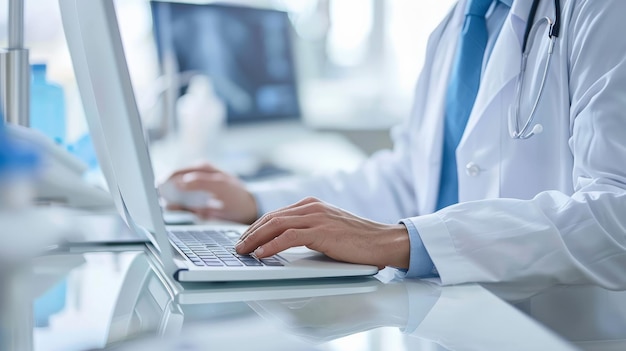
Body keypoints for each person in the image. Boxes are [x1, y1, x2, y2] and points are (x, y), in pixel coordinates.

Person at [164, 0, 626, 291]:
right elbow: (410, 175)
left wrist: (404, 240)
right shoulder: (460, 22)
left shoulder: (603, 12)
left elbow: (616, 215)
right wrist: (255, 202)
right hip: (451, 311)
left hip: (563, 331)